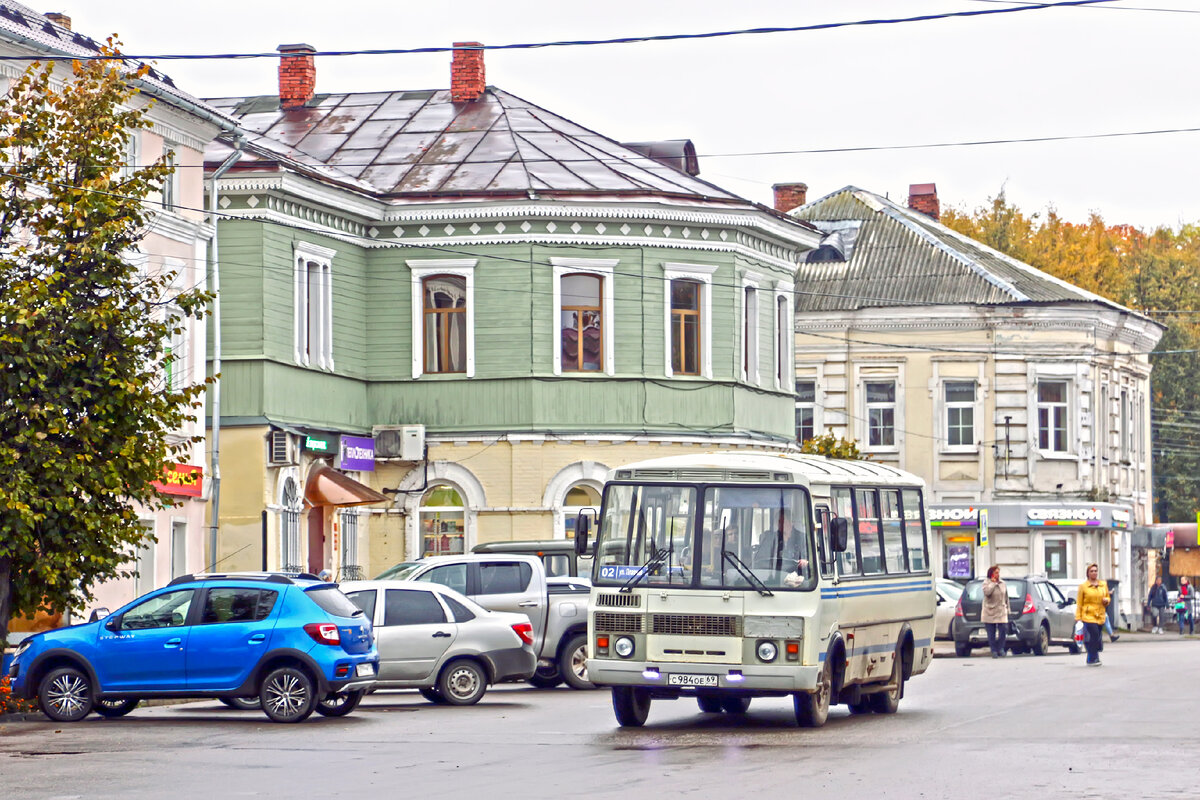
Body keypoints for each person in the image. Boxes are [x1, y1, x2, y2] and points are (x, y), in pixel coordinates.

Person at [1076, 563, 1111, 666]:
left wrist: (1106, 600)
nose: (1094, 573)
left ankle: (1091, 657)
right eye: (1092, 571)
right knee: (1094, 634)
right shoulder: (1083, 587)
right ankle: (1093, 657)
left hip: (1100, 615)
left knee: (1097, 637)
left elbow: (1108, 597)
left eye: (1095, 571)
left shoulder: (1103, 584)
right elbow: (1079, 603)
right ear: (1088, 573)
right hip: (1088, 615)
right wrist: (1078, 617)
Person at [981, 565, 1009, 658]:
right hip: (989, 611)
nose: (998, 575)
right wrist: (992, 584)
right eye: (996, 573)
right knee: (991, 633)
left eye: (998, 573)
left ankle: (1001, 648)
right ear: (991, 574)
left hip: (1001, 611)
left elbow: (1006, 597)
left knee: (1003, 630)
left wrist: (1008, 608)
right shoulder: (986, 582)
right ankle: (993, 651)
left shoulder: (1002, 583)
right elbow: (987, 593)